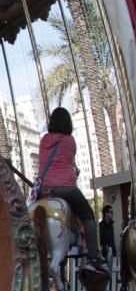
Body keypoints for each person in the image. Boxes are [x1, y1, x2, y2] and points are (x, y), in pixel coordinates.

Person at [38, 107, 108, 272]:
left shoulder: (44, 140)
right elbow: (70, 163)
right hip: (65, 187)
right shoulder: (69, 141)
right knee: (88, 215)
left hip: (45, 188)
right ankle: (93, 256)